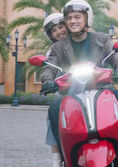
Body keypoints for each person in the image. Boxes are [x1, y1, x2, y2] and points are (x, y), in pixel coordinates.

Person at [41, 0, 118, 167]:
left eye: (77, 17)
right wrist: (47, 80)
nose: (73, 21)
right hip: (71, 91)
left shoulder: (101, 38)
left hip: (100, 87)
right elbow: (49, 66)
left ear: (87, 18)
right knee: (54, 109)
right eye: (69, 18)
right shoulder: (59, 47)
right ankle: (58, 156)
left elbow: (114, 54)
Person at [41, 12, 69, 165]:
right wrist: (48, 81)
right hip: (67, 94)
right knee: (52, 112)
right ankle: (56, 155)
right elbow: (48, 70)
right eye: (54, 30)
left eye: (61, 26)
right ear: (51, 35)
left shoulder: (82, 41)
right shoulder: (51, 52)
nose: (59, 31)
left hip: (93, 89)